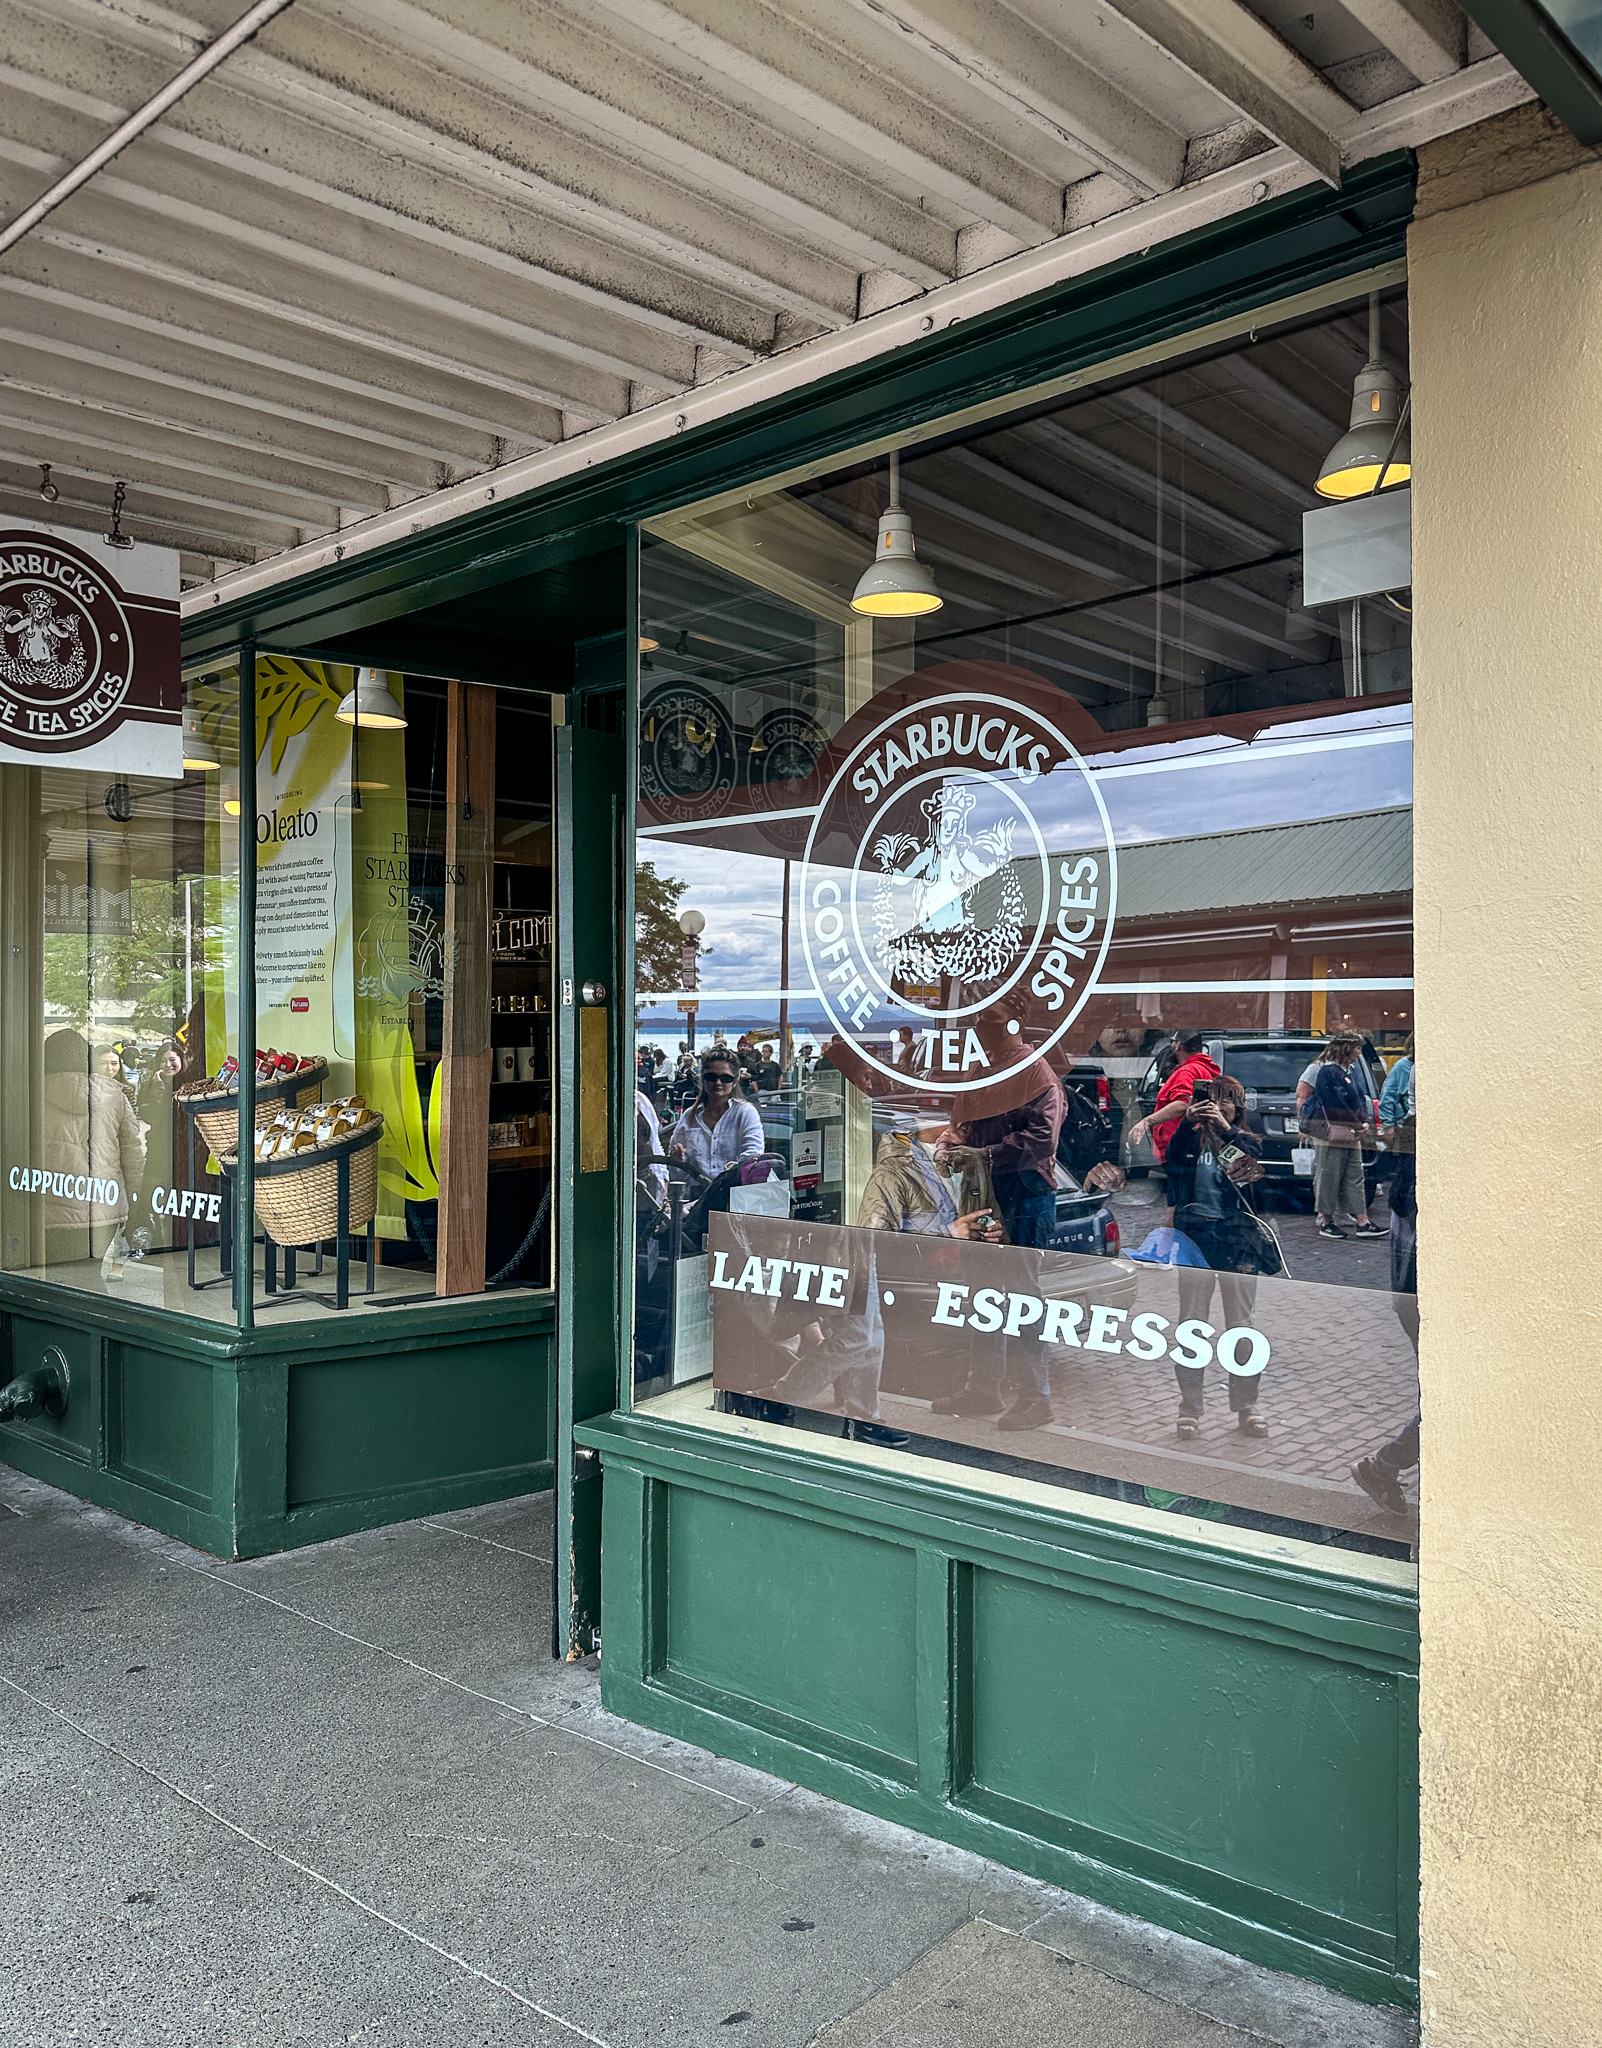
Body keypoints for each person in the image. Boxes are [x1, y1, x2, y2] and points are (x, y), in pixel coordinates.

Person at [1163, 1075, 1277, 1438]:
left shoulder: (1245, 1138)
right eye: (1206, 1098)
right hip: (1196, 1239)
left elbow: (1257, 1173)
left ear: (1237, 1107)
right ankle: (1190, 1407)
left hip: (1237, 1243)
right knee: (1192, 1326)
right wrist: (1186, 1123)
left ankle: (1246, 1405)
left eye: (1222, 1100)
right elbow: (1172, 1167)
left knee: (1242, 1327)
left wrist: (1227, 1131)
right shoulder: (1190, 1139)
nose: (1213, 1104)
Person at [1353, 1057, 1419, 1517]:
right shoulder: (1421, 1178)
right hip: (1424, 1300)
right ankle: (1386, 1463)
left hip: (1413, 1298)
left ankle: (1387, 1464)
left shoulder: (1407, 1173)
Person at [41, 1029, 146, 1268]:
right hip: (104, 1205)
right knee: (89, 1274)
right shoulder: (115, 1095)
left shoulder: (31, 1093)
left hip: (49, 1208)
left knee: (50, 1276)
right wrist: (134, 1199)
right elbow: (133, 1154)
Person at [1306, 1032, 1383, 1240]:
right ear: (1346, 1049)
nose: (1359, 1052)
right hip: (1335, 1133)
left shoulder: (1348, 1070)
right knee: (1329, 1175)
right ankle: (1326, 1219)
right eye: (1357, 1048)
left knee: (1354, 1175)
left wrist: (1360, 1125)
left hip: (1351, 1133)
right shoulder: (1329, 1072)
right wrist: (1358, 1124)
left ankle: (1362, 1220)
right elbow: (1336, 1105)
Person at [1127, 1029, 1220, 1166]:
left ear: (1178, 1046)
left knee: (1178, 1186)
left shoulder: (1187, 1072)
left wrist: (1146, 1121)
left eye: (1173, 1042)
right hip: (1193, 1144)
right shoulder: (1203, 1069)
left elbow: (1182, 1103)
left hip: (1178, 1146)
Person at [668, 1050, 764, 1181]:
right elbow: (677, 1174)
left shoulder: (745, 1112)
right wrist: (676, 1160)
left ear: (735, 1081)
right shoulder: (689, 1117)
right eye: (711, 1077)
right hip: (698, 1197)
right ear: (703, 1079)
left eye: (725, 1078)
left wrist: (728, 1177)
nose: (718, 1082)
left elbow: (753, 1155)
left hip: (734, 1194)